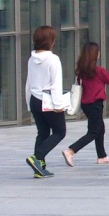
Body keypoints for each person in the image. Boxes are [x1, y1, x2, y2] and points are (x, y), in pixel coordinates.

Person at [63, 42, 109, 166]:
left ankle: (102, 156)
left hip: (86, 105)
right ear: (95, 55)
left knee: (100, 129)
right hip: (95, 104)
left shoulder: (81, 72)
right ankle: (71, 151)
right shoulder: (99, 71)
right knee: (94, 131)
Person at [25, 26, 66, 178]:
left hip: (34, 99)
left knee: (42, 133)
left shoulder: (31, 59)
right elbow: (56, 83)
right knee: (60, 132)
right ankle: (37, 157)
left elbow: (28, 83)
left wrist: (29, 103)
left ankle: (39, 168)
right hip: (48, 101)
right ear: (51, 41)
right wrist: (58, 105)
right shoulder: (53, 59)